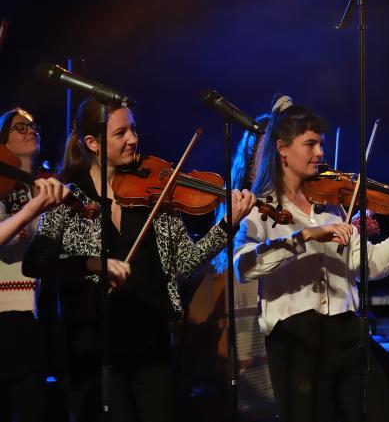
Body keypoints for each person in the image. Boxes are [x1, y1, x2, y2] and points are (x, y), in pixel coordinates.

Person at [21, 97, 255, 422]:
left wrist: (226, 226)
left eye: (133, 129)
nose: (133, 139)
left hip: (151, 340)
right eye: (121, 133)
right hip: (92, 342)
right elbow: (36, 261)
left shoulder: (156, 191)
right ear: (93, 143)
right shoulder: (70, 196)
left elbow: (184, 262)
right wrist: (92, 264)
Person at [234, 100, 389, 422]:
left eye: (321, 143)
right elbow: (244, 267)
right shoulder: (258, 211)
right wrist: (306, 237)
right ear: (282, 149)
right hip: (296, 341)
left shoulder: (331, 206)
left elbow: (370, 265)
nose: (320, 152)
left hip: (348, 331)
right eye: (310, 144)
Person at [0, 107, 70, 422]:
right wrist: (33, 209)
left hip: (38, 313)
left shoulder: (44, 185)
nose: (31, 131)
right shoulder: (4, 192)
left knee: (35, 408)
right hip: (4, 313)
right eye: (20, 128)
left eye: (33, 127)